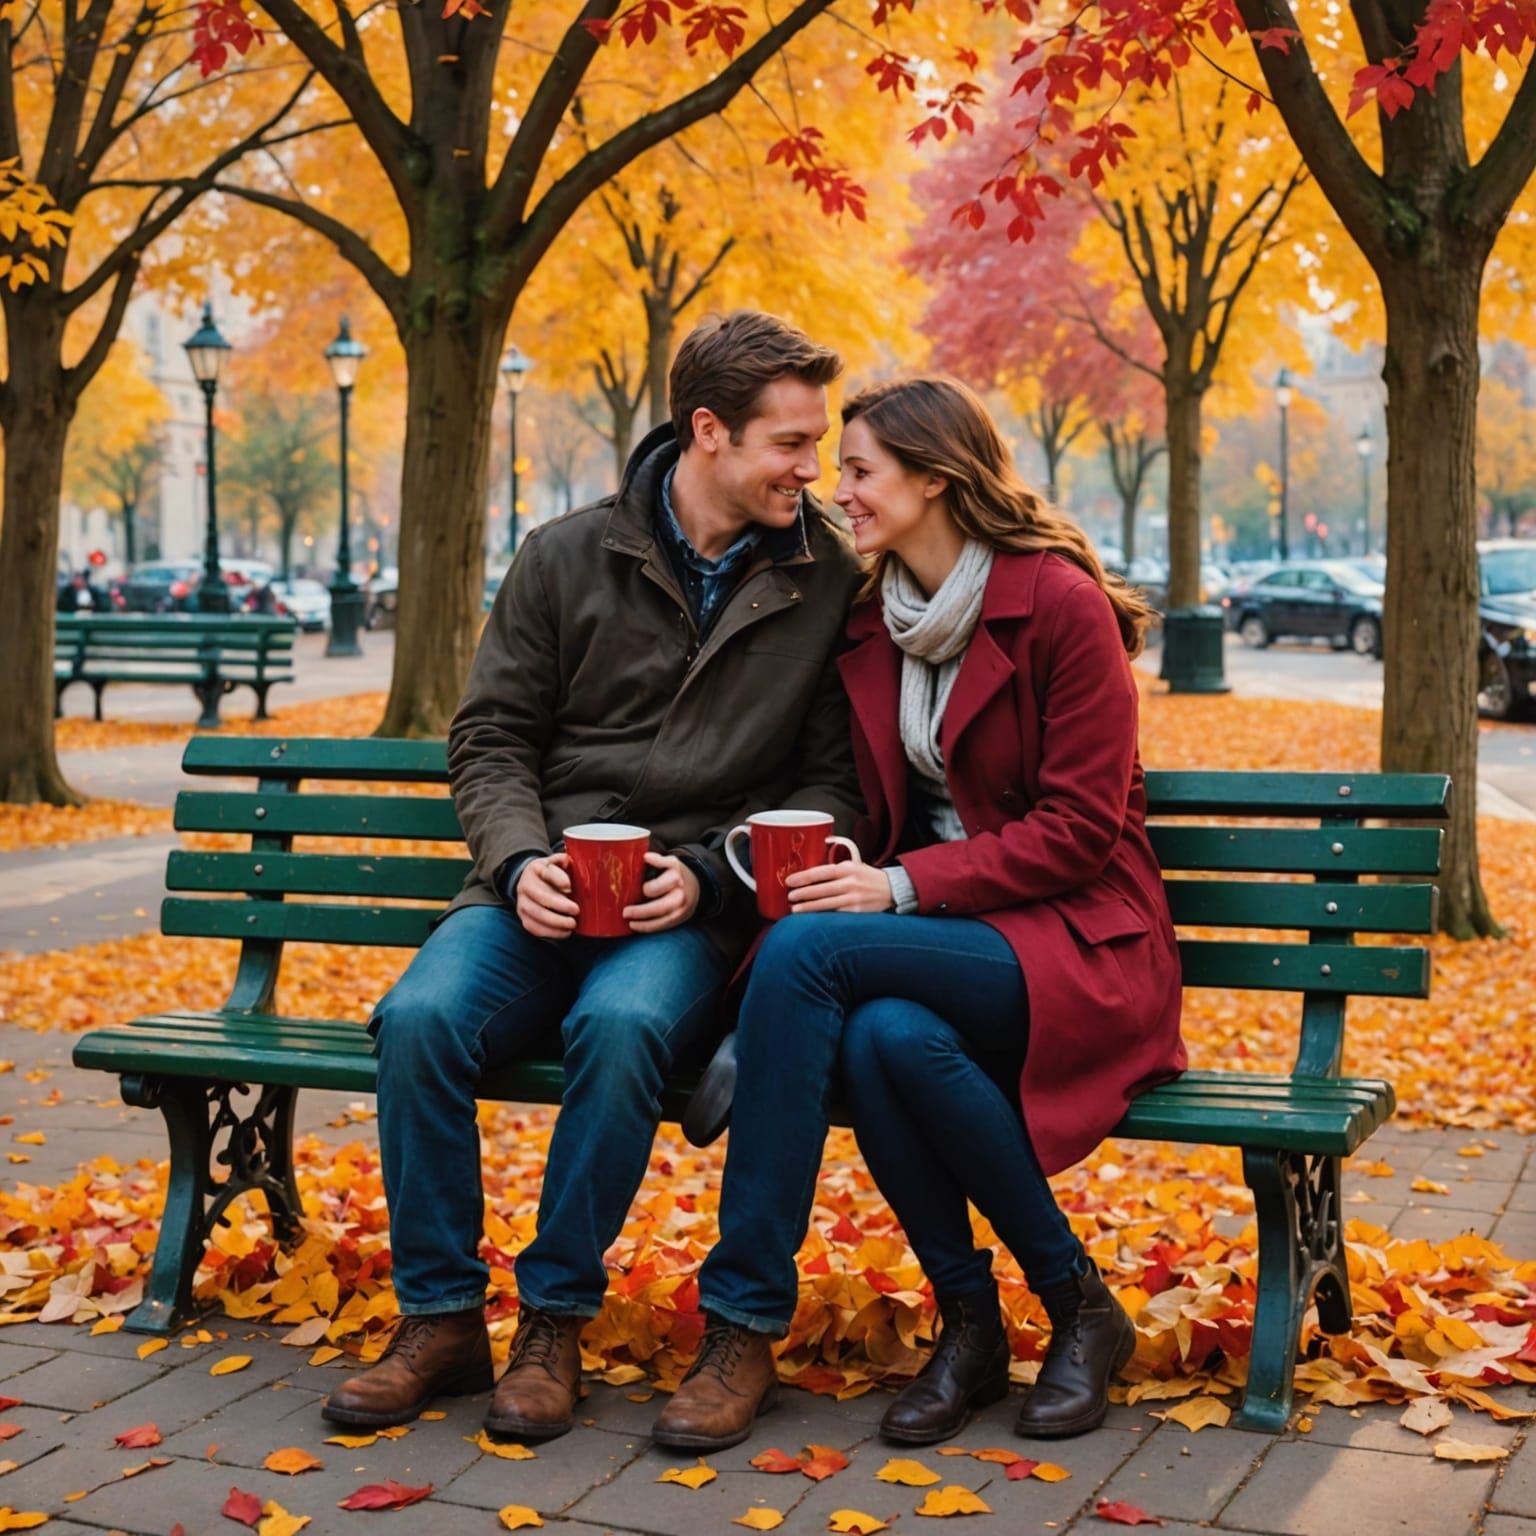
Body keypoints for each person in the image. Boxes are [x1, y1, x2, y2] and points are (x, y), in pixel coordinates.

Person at [322, 311, 864, 1435]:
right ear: (709, 431)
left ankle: (554, 1320)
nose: (812, 469)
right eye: (792, 443)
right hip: (538, 886)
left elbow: (832, 790)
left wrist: (716, 878)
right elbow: (490, 740)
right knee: (418, 1018)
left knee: (618, 1032)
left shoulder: (826, 580)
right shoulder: (566, 555)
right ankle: (440, 1319)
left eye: (819, 444)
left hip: (684, 913)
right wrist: (518, 862)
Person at [655, 376, 1184, 1451]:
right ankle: (1008, 1313)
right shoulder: (873, 621)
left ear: (937, 479)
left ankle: (743, 1306)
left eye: (858, 471)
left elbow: (1082, 830)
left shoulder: (1059, 604)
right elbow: (879, 806)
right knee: (885, 1035)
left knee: (807, 960)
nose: (834, 491)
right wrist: (858, 863)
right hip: (937, 952)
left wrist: (897, 888)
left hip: (1081, 941)